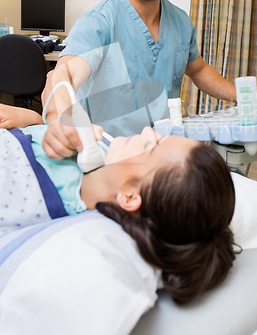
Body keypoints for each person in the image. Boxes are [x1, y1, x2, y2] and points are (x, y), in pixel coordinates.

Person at [42, 0, 257, 161]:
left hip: (160, 152)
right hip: (110, 156)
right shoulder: (100, 22)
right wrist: (56, 120)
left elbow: (199, 70)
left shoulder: (180, 21)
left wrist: (245, 94)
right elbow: (63, 75)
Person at [0, 103, 238, 304]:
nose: (146, 130)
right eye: (156, 136)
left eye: (150, 146)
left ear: (130, 197)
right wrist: (30, 118)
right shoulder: (102, 144)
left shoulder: (35, 201)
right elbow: (57, 84)